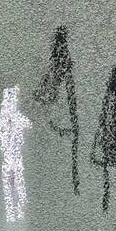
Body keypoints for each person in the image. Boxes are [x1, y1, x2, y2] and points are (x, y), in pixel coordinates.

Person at [37, 26, 79, 195]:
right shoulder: (63, 73)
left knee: (59, 168)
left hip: (60, 126)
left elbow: (44, 96)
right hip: (63, 126)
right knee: (62, 168)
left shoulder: (55, 73)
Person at [91, 63, 116, 222]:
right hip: (114, 141)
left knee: (108, 175)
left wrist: (102, 138)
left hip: (108, 140)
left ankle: (108, 206)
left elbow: (104, 119)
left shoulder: (109, 96)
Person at [0, 86, 30, 223]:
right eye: (8, 100)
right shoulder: (2, 124)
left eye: (11, 100)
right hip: (8, 161)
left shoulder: (17, 119)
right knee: (9, 186)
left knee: (18, 186)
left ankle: (20, 211)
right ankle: (11, 213)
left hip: (15, 161)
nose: (9, 103)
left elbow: (28, 124)